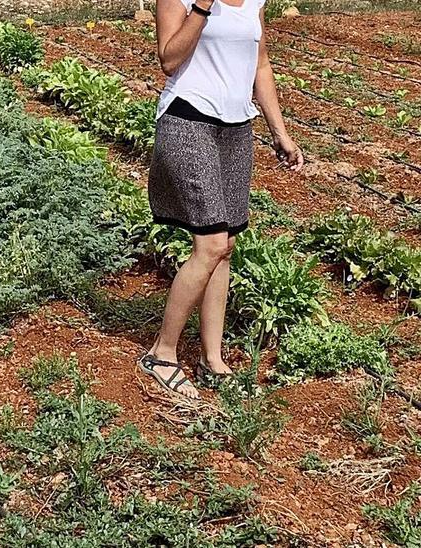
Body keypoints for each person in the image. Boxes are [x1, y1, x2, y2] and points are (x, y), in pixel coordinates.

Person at [138, 0, 304, 399]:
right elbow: (168, 59)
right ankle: (161, 354)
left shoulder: (255, 0)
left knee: (226, 245)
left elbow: (260, 64)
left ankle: (211, 357)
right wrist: (202, 7)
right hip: (187, 120)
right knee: (210, 243)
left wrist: (279, 131)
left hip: (236, 129)